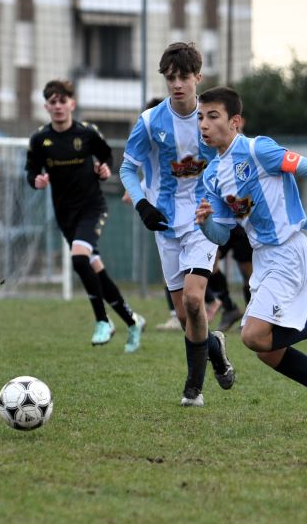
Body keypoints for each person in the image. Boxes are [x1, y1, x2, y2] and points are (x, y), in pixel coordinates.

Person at [195, 86, 307, 430]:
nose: (204, 124)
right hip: (264, 259)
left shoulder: (258, 149)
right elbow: (223, 235)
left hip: (289, 252)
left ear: (234, 122)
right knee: (268, 350)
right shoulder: (212, 175)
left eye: (213, 116)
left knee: (252, 336)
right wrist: (205, 224)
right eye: (201, 117)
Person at [119, 42, 234, 406]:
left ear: (198, 77)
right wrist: (142, 204)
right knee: (187, 318)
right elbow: (127, 169)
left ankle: (193, 390)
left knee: (195, 300)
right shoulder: (150, 121)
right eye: (170, 78)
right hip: (165, 224)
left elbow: (233, 157)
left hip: (203, 219)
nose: (177, 84)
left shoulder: (212, 118)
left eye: (184, 77)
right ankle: (214, 348)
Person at [25, 79, 145, 352]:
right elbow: (30, 171)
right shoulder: (40, 139)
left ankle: (102, 321)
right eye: (53, 102)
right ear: (46, 107)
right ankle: (132, 321)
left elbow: (107, 157)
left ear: (72, 104)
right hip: (65, 215)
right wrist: (36, 181)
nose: (58, 106)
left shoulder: (87, 133)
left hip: (92, 208)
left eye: (62, 101)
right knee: (95, 270)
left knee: (79, 258)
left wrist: (104, 169)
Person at [209, 224, 252, 332]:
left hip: (243, 225)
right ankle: (229, 309)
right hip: (223, 223)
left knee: (248, 274)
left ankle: (251, 318)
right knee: (209, 263)